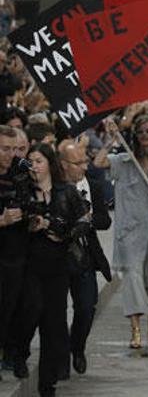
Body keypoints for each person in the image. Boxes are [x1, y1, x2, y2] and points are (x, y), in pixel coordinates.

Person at [11, 145, 90, 397]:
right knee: (31, 309)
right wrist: (30, 222)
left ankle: (48, 386)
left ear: (50, 164)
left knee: (53, 325)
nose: (34, 165)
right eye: (30, 161)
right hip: (31, 264)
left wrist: (58, 229)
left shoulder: (65, 192)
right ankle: (19, 352)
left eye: (39, 160)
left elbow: (83, 221)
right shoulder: (23, 190)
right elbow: (18, 218)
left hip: (58, 266)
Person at [93, 116, 148, 350]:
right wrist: (112, 139)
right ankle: (135, 330)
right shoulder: (124, 161)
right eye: (141, 132)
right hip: (130, 231)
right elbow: (99, 162)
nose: (144, 136)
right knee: (133, 276)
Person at [57, 138, 112, 378]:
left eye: (85, 161)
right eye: (78, 162)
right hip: (57, 256)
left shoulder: (94, 185)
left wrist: (88, 219)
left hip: (85, 256)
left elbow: (105, 221)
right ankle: (58, 355)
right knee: (55, 310)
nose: (84, 167)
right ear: (63, 164)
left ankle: (77, 346)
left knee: (87, 307)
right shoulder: (53, 187)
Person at [0, 125, 30, 370]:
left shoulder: (20, 175)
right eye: (4, 149)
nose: (10, 154)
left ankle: (12, 353)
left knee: (13, 304)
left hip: (16, 253)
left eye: (13, 149)